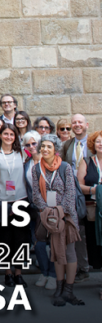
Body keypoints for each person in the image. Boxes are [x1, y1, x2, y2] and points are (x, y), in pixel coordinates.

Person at [32, 134, 84, 306]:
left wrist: (59, 212)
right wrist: (48, 212)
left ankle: (68, 290)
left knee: (69, 252)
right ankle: (59, 288)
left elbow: (70, 193)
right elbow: (36, 194)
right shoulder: (36, 169)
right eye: (43, 146)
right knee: (56, 252)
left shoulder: (65, 167)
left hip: (66, 217)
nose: (45, 149)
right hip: (50, 218)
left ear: (55, 149)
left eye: (49, 146)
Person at [0, 124, 30, 287]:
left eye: (12, 134)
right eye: (6, 134)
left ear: (15, 137)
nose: (8, 137)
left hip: (21, 200)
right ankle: (8, 273)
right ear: (0, 135)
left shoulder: (22, 153)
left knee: (21, 239)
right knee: (4, 239)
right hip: (3, 201)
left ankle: (19, 273)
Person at [22, 130, 56, 290]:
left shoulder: (51, 162)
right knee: (39, 243)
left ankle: (53, 275)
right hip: (35, 210)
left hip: (51, 208)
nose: (31, 146)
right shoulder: (27, 164)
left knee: (53, 243)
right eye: (28, 144)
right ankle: (44, 273)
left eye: (34, 143)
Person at [61, 113, 91, 281]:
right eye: (74, 122)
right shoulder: (67, 145)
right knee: (78, 230)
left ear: (87, 125)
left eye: (80, 122)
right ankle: (82, 267)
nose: (77, 125)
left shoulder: (94, 143)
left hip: (91, 191)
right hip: (73, 193)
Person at [77, 130, 102, 273]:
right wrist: (94, 190)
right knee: (94, 244)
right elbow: (79, 186)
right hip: (93, 210)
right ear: (93, 144)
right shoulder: (86, 162)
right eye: (98, 141)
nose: (101, 144)